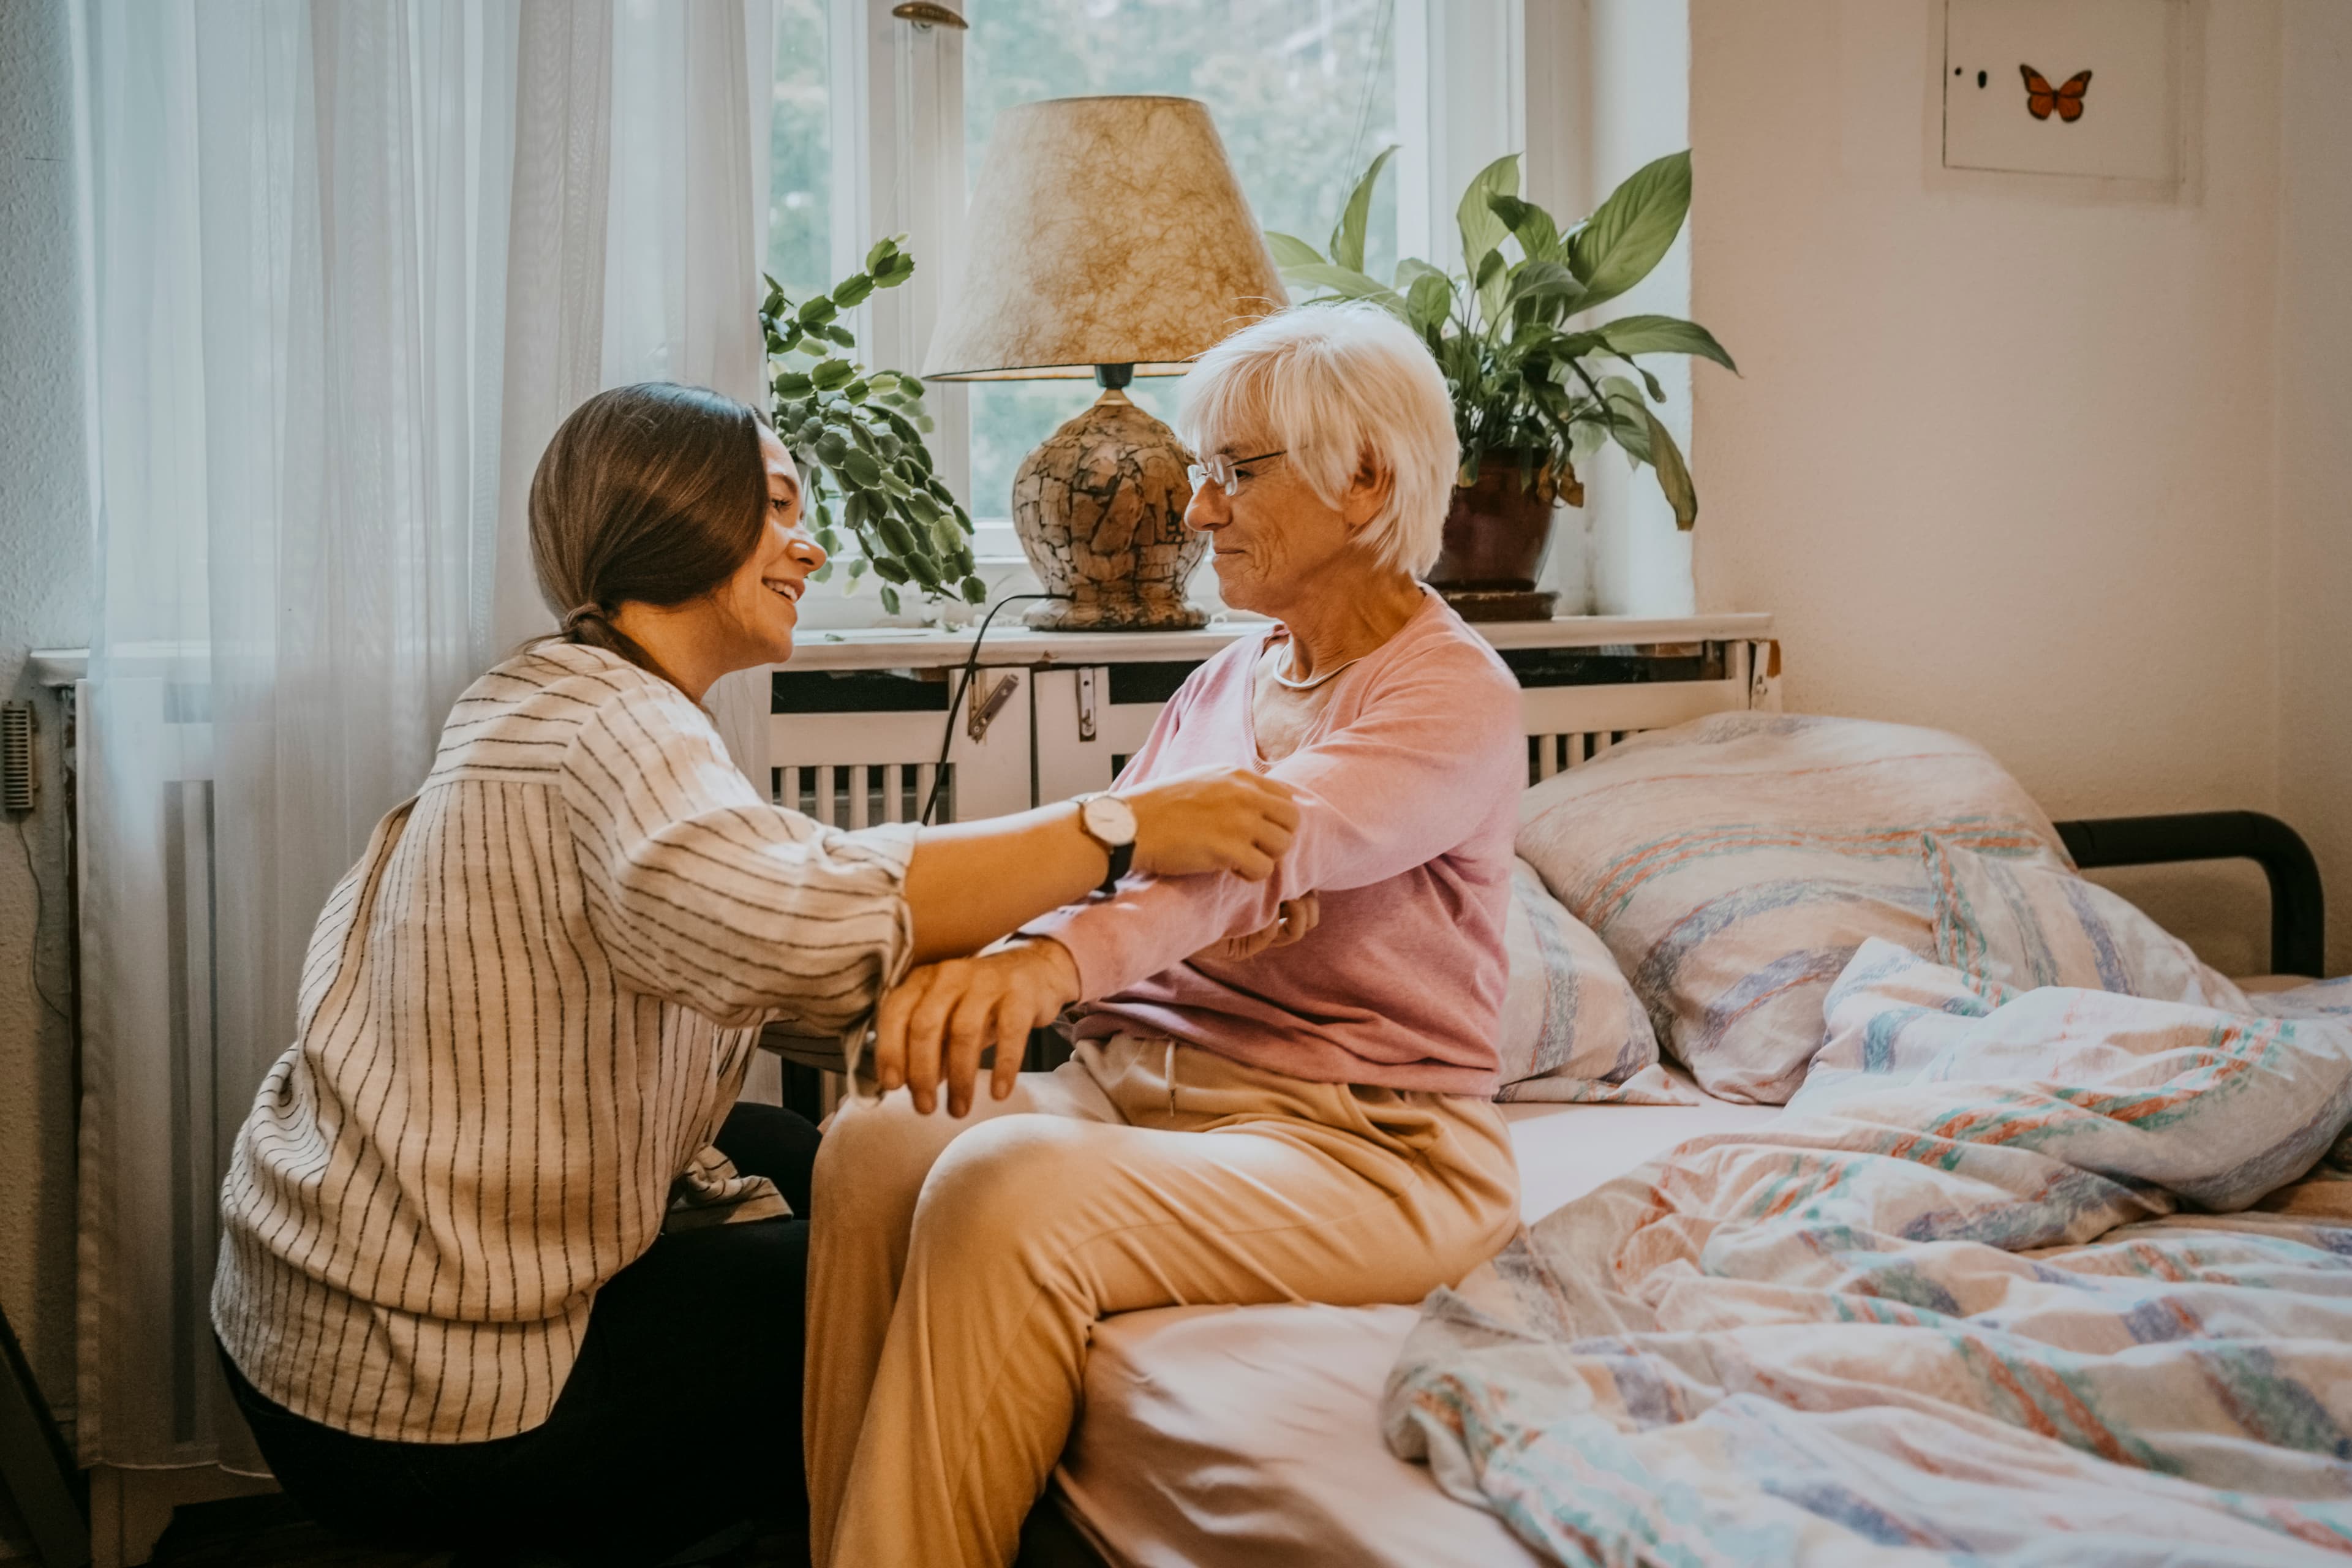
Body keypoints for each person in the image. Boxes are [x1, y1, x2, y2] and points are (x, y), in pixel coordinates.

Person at [207, 381, 1301, 1566]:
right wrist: (1123, 827)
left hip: (310, 1313)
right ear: (678, 515)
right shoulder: (618, 733)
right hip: (420, 1394)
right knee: (902, 1301)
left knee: (805, 1155)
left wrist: (1034, 974)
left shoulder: (548, 694)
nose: (811, 541)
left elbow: (775, 921)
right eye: (778, 506)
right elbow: (810, 914)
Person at [806, 301, 1529, 1568]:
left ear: (1363, 477)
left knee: (1001, 1189)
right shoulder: (1227, 677)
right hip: (1142, 1086)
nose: (1197, 513)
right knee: (876, 1137)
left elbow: (1245, 856)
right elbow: (1119, 858)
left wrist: (1047, 966)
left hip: (1366, 1145)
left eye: (1230, 474)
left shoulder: (1452, 694)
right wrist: (982, 956)